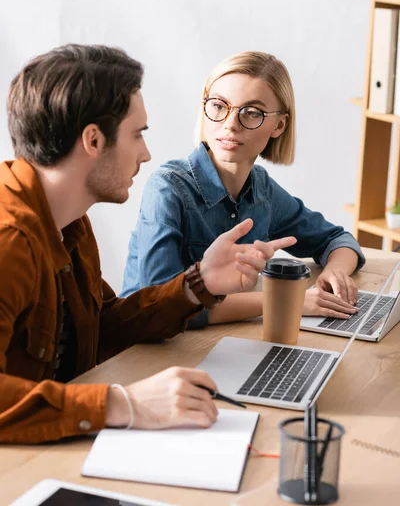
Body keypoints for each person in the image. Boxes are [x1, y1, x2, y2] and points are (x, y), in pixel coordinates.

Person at [0, 45, 297, 444]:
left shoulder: (69, 223)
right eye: (137, 134)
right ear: (93, 140)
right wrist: (124, 404)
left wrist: (199, 283)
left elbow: (104, 327)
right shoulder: (9, 242)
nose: (146, 153)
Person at [122, 51, 365, 329]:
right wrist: (286, 302)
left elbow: (338, 240)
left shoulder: (262, 189)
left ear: (279, 125)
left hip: (220, 341)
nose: (230, 124)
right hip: (144, 352)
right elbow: (163, 306)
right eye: (219, 105)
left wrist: (336, 273)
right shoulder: (167, 188)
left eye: (252, 112)